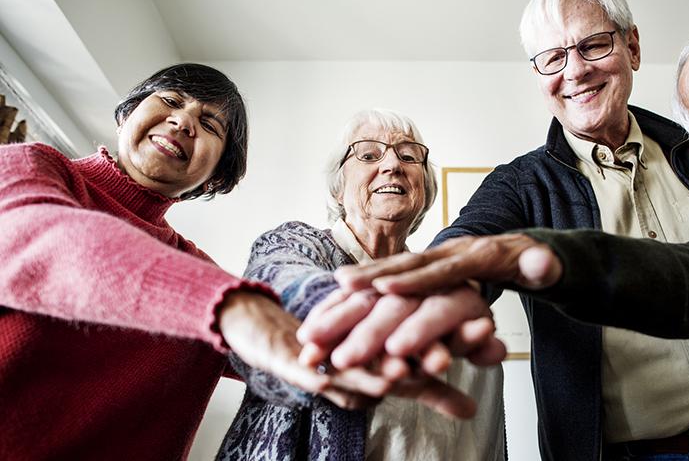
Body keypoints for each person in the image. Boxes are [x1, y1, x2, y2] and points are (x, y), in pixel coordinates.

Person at [301, 0, 689, 461]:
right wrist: (431, 289)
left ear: (633, 47)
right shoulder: (519, 184)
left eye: (593, 45)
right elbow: (469, 239)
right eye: (552, 58)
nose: (575, 71)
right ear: (538, 75)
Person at [0, 65, 480, 460]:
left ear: (215, 176)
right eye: (169, 101)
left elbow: (271, 362)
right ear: (127, 113)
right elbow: (46, 239)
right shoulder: (33, 168)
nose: (184, 121)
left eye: (210, 125)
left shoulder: (195, 267)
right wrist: (236, 309)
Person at [217, 109, 506, 461]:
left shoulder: (450, 292)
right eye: (368, 155)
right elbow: (278, 277)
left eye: (408, 155)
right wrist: (332, 312)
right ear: (339, 190)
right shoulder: (298, 243)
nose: (392, 165)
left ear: (425, 189)